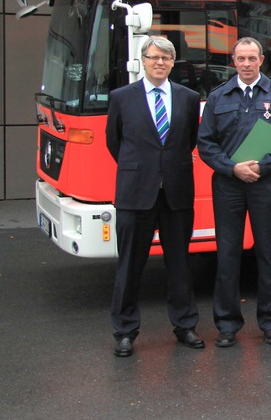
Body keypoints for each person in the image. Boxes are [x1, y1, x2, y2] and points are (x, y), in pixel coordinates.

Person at [198, 37, 271, 348]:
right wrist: (232, 168)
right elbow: (205, 143)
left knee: (268, 254)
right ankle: (227, 324)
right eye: (240, 59)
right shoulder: (218, 97)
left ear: (261, 60)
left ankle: (270, 321)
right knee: (227, 255)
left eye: (251, 58)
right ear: (233, 61)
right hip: (228, 185)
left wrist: (265, 166)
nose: (245, 64)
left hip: (266, 184)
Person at [107, 35, 202, 357]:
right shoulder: (122, 97)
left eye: (165, 58)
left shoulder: (189, 98)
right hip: (136, 194)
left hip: (176, 193)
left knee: (180, 265)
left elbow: (188, 139)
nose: (159, 62)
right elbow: (114, 143)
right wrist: (144, 169)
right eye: (153, 57)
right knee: (131, 265)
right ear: (143, 61)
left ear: (173, 63)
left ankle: (185, 325)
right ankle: (125, 331)